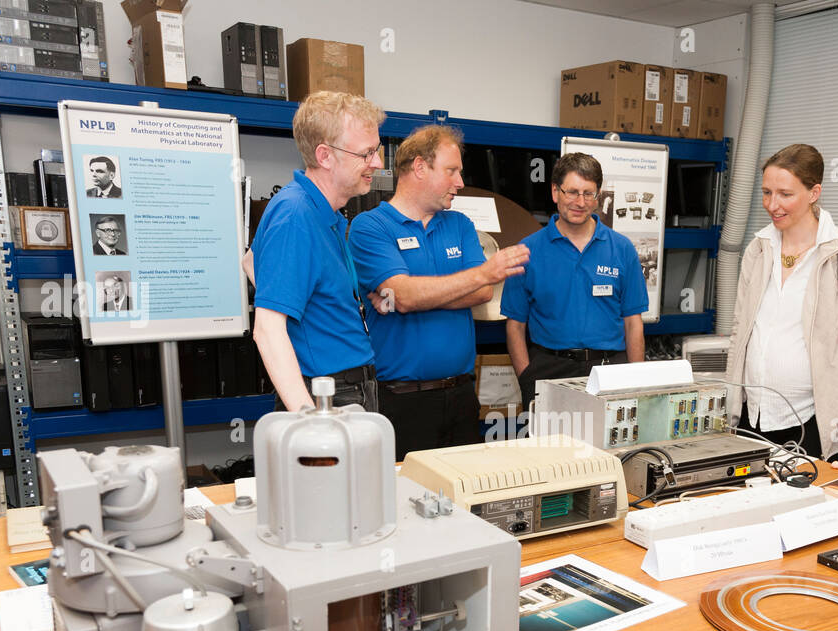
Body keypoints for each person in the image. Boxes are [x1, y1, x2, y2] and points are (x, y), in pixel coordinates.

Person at [348, 125, 529, 458]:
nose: (460, 182)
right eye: (451, 171)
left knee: (464, 488)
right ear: (420, 167)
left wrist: (410, 296)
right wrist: (479, 274)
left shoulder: (459, 224)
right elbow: (405, 295)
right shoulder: (370, 227)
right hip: (401, 401)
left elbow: (483, 293)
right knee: (403, 489)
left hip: (461, 394)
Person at [724, 144, 838, 470]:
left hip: (811, 425)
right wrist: (728, 411)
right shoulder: (758, 249)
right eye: (766, 193)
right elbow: (739, 334)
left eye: (785, 194)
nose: (772, 205)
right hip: (751, 418)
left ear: (814, 193)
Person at [249, 91, 386, 412]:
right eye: (366, 153)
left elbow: (250, 260)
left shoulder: (322, 210)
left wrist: (316, 310)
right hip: (327, 393)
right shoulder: (296, 213)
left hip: (347, 385)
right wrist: (309, 420)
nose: (378, 163)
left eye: (377, 150)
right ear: (325, 156)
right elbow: (267, 330)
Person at [501, 152, 647, 415]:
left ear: (598, 196)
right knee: (551, 443)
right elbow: (515, 326)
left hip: (609, 371)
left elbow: (633, 322)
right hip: (549, 371)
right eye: (572, 192)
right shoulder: (526, 251)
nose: (580, 202)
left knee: (608, 442)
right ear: (555, 192)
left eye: (588, 193)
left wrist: (635, 380)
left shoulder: (622, 249)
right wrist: (527, 377)